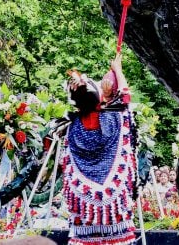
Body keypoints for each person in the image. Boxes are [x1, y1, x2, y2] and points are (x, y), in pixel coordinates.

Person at [62, 55, 137, 245]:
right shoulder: (115, 120)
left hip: (84, 211)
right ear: (98, 100)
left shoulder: (71, 127)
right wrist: (118, 70)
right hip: (114, 211)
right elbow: (126, 99)